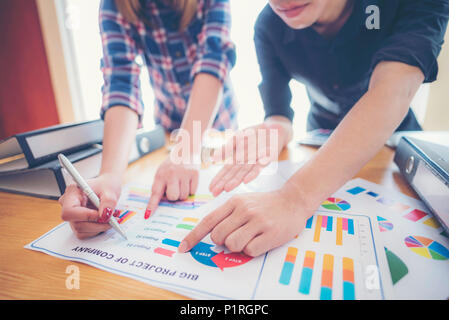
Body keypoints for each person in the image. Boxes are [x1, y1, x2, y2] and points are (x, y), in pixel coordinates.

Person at [179, 0, 449, 256]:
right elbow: (279, 114)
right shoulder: (268, 25)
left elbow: (393, 91)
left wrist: (295, 197)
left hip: (396, 145)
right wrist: (275, 130)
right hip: (319, 135)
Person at [58, 0, 237, 239]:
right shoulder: (115, 5)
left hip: (218, 127)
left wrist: (185, 150)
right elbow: (121, 83)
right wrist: (109, 176)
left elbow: (213, 62)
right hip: (168, 126)